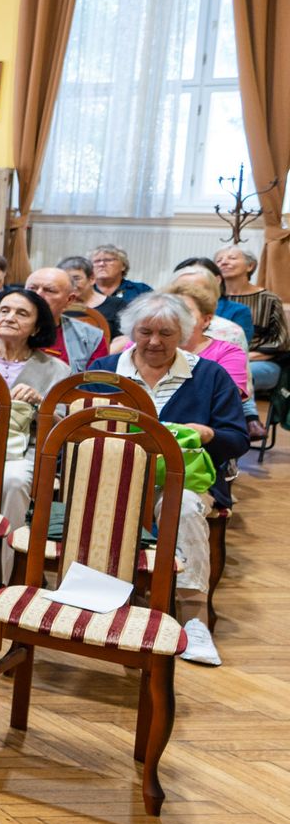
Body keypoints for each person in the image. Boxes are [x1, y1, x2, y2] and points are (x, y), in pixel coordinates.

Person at [88, 293, 248, 665]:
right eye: (145, 332)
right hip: (117, 477)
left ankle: (193, 619)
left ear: (184, 335)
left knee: (184, 506)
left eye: (166, 333)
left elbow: (237, 438)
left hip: (184, 481)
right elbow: (76, 428)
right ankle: (100, 602)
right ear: (131, 332)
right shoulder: (105, 369)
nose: (155, 342)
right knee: (97, 502)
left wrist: (208, 434)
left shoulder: (208, 374)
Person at [0, 286, 70, 563]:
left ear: (36, 327)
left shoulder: (56, 368)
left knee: (15, 481)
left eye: (21, 313)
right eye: (4, 310)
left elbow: (61, 426)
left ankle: (6, 572)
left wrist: (40, 403)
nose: (9, 317)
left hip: (22, 447)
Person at [218, 243, 286, 406]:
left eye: (232, 258)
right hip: (216, 360)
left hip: (261, 362)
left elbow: (280, 342)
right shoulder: (211, 300)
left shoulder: (268, 299)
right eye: (219, 260)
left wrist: (241, 357)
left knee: (226, 374)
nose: (224, 262)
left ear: (250, 266)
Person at [20, 265, 103, 369]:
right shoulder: (2, 327)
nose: (38, 295)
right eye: (32, 289)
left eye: (49, 290)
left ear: (69, 300)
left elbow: (95, 383)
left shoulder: (91, 337)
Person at [173, 257, 253, 343]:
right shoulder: (166, 311)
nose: (189, 289)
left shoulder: (236, 316)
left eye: (197, 273)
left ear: (216, 280)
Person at [87, 244, 148, 313]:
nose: (101, 264)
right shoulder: (83, 291)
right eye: (97, 261)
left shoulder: (141, 290)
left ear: (123, 266)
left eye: (108, 260)